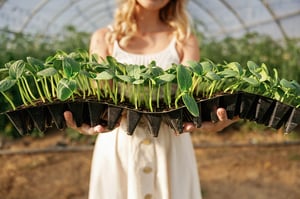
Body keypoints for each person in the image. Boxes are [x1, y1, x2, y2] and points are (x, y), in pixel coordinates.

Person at [64, 0, 237, 198]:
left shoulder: (183, 38)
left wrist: (212, 119)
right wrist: (84, 119)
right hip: (119, 146)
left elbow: (189, 98)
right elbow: (98, 100)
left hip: (170, 148)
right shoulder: (104, 38)